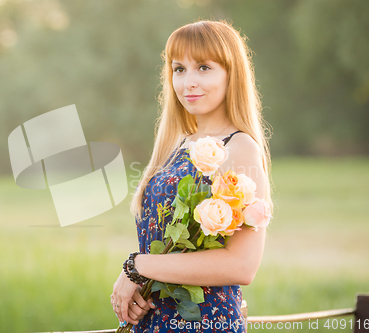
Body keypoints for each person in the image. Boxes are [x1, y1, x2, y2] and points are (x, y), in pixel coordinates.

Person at [111, 19, 273, 332]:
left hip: (204, 324)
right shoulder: (177, 145)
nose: (188, 83)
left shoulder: (238, 147)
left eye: (203, 67)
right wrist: (142, 287)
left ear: (231, 74)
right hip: (154, 323)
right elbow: (167, 248)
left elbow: (241, 265)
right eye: (179, 69)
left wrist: (138, 266)